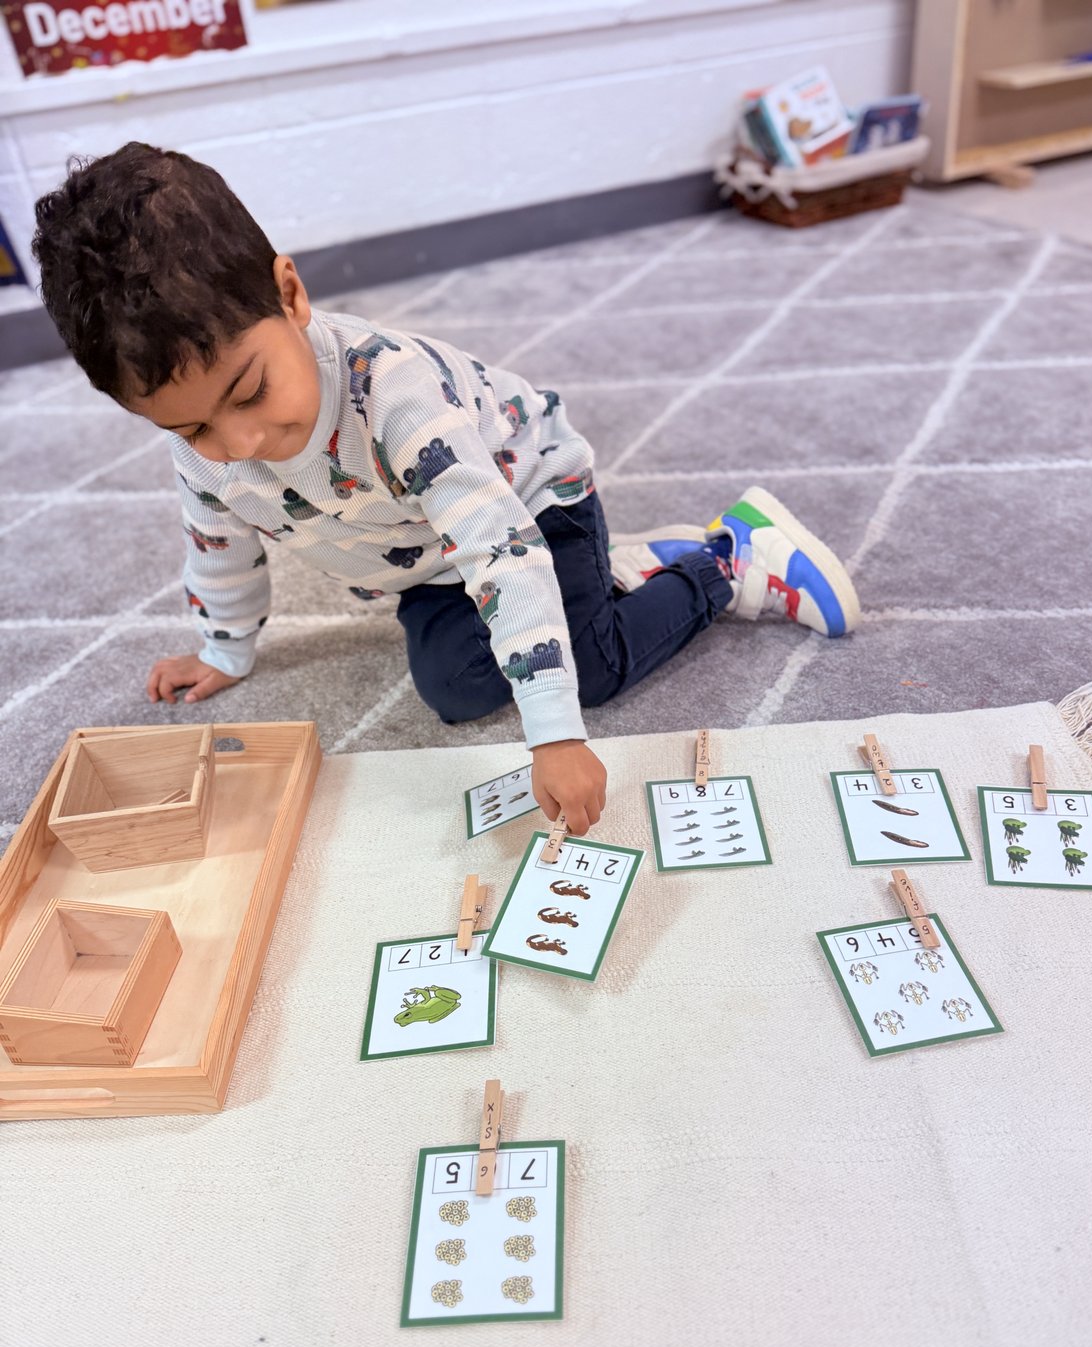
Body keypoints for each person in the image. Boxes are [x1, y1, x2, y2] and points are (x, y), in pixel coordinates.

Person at [32, 143, 861, 835]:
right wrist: (224, 650)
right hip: (429, 556)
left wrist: (555, 737)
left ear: (290, 294)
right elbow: (217, 544)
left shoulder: (395, 396)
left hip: (530, 501)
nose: (239, 444)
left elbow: (498, 550)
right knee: (456, 690)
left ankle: (726, 561)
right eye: (192, 429)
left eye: (250, 393)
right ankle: (627, 573)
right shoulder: (209, 453)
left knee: (591, 671)